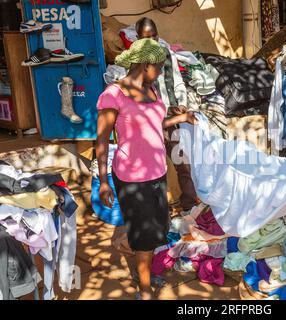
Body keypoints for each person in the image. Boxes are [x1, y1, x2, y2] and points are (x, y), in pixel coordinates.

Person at [96, 39, 197, 300]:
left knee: (154, 229)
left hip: (156, 172)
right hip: (131, 176)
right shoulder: (113, 94)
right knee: (142, 234)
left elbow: (156, 123)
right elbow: (102, 139)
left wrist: (182, 118)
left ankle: (144, 273)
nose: (161, 72)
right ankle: (144, 289)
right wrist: (103, 180)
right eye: (160, 67)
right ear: (145, 64)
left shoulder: (151, 91)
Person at [135, 17, 199, 213]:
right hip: (148, 122)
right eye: (147, 37)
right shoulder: (135, 61)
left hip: (170, 119)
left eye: (154, 36)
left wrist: (181, 104)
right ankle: (158, 210)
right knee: (154, 169)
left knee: (182, 162)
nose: (152, 41)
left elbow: (177, 82)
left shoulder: (166, 54)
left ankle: (188, 204)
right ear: (138, 38)